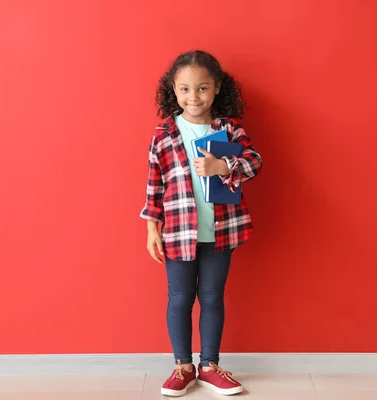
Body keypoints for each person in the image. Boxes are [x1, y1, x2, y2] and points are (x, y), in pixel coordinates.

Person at [140, 50, 262, 396]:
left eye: (203, 88)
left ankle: (209, 365)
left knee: (212, 296)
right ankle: (183, 366)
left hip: (221, 231)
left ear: (217, 88)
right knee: (179, 298)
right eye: (185, 89)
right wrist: (152, 228)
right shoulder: (164, 133)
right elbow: (154, 184)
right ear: (173, 91)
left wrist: (223, 167)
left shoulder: (229, 130)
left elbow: (255, 162)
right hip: (179, 232)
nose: (194, 97)